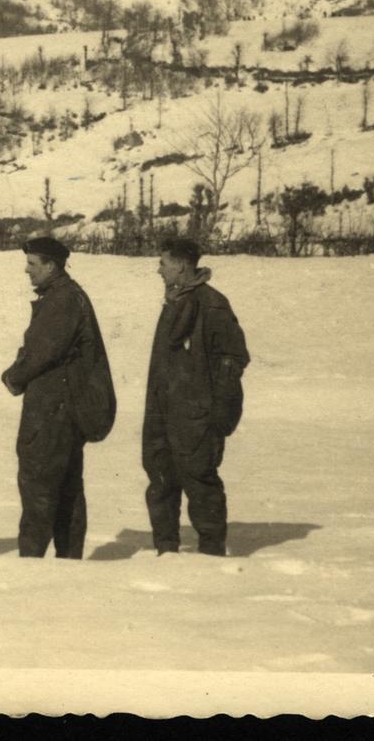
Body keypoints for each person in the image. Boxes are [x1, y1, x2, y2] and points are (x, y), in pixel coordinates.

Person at [1, 236, 114, 560]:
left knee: (39, 488)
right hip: (65, 410)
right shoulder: (66, 295)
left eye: (32, 264)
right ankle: (68, 563)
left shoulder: (61, 300)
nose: (27, 270)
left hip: (52, 412)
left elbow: (41, 352)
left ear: (51, 266)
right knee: (67, 489)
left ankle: (31, 564)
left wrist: (12, 377)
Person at [142, 238, 249, 557]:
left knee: (200, 482)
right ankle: (166, 551)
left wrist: (217, 412)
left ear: (181, 266)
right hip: (163, 411)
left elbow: (233, 358)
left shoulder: (212, 303)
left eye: (163, 263)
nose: (158, 270)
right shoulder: (175, 300)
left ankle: (211, 555)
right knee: (161, 480)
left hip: (195, 416)